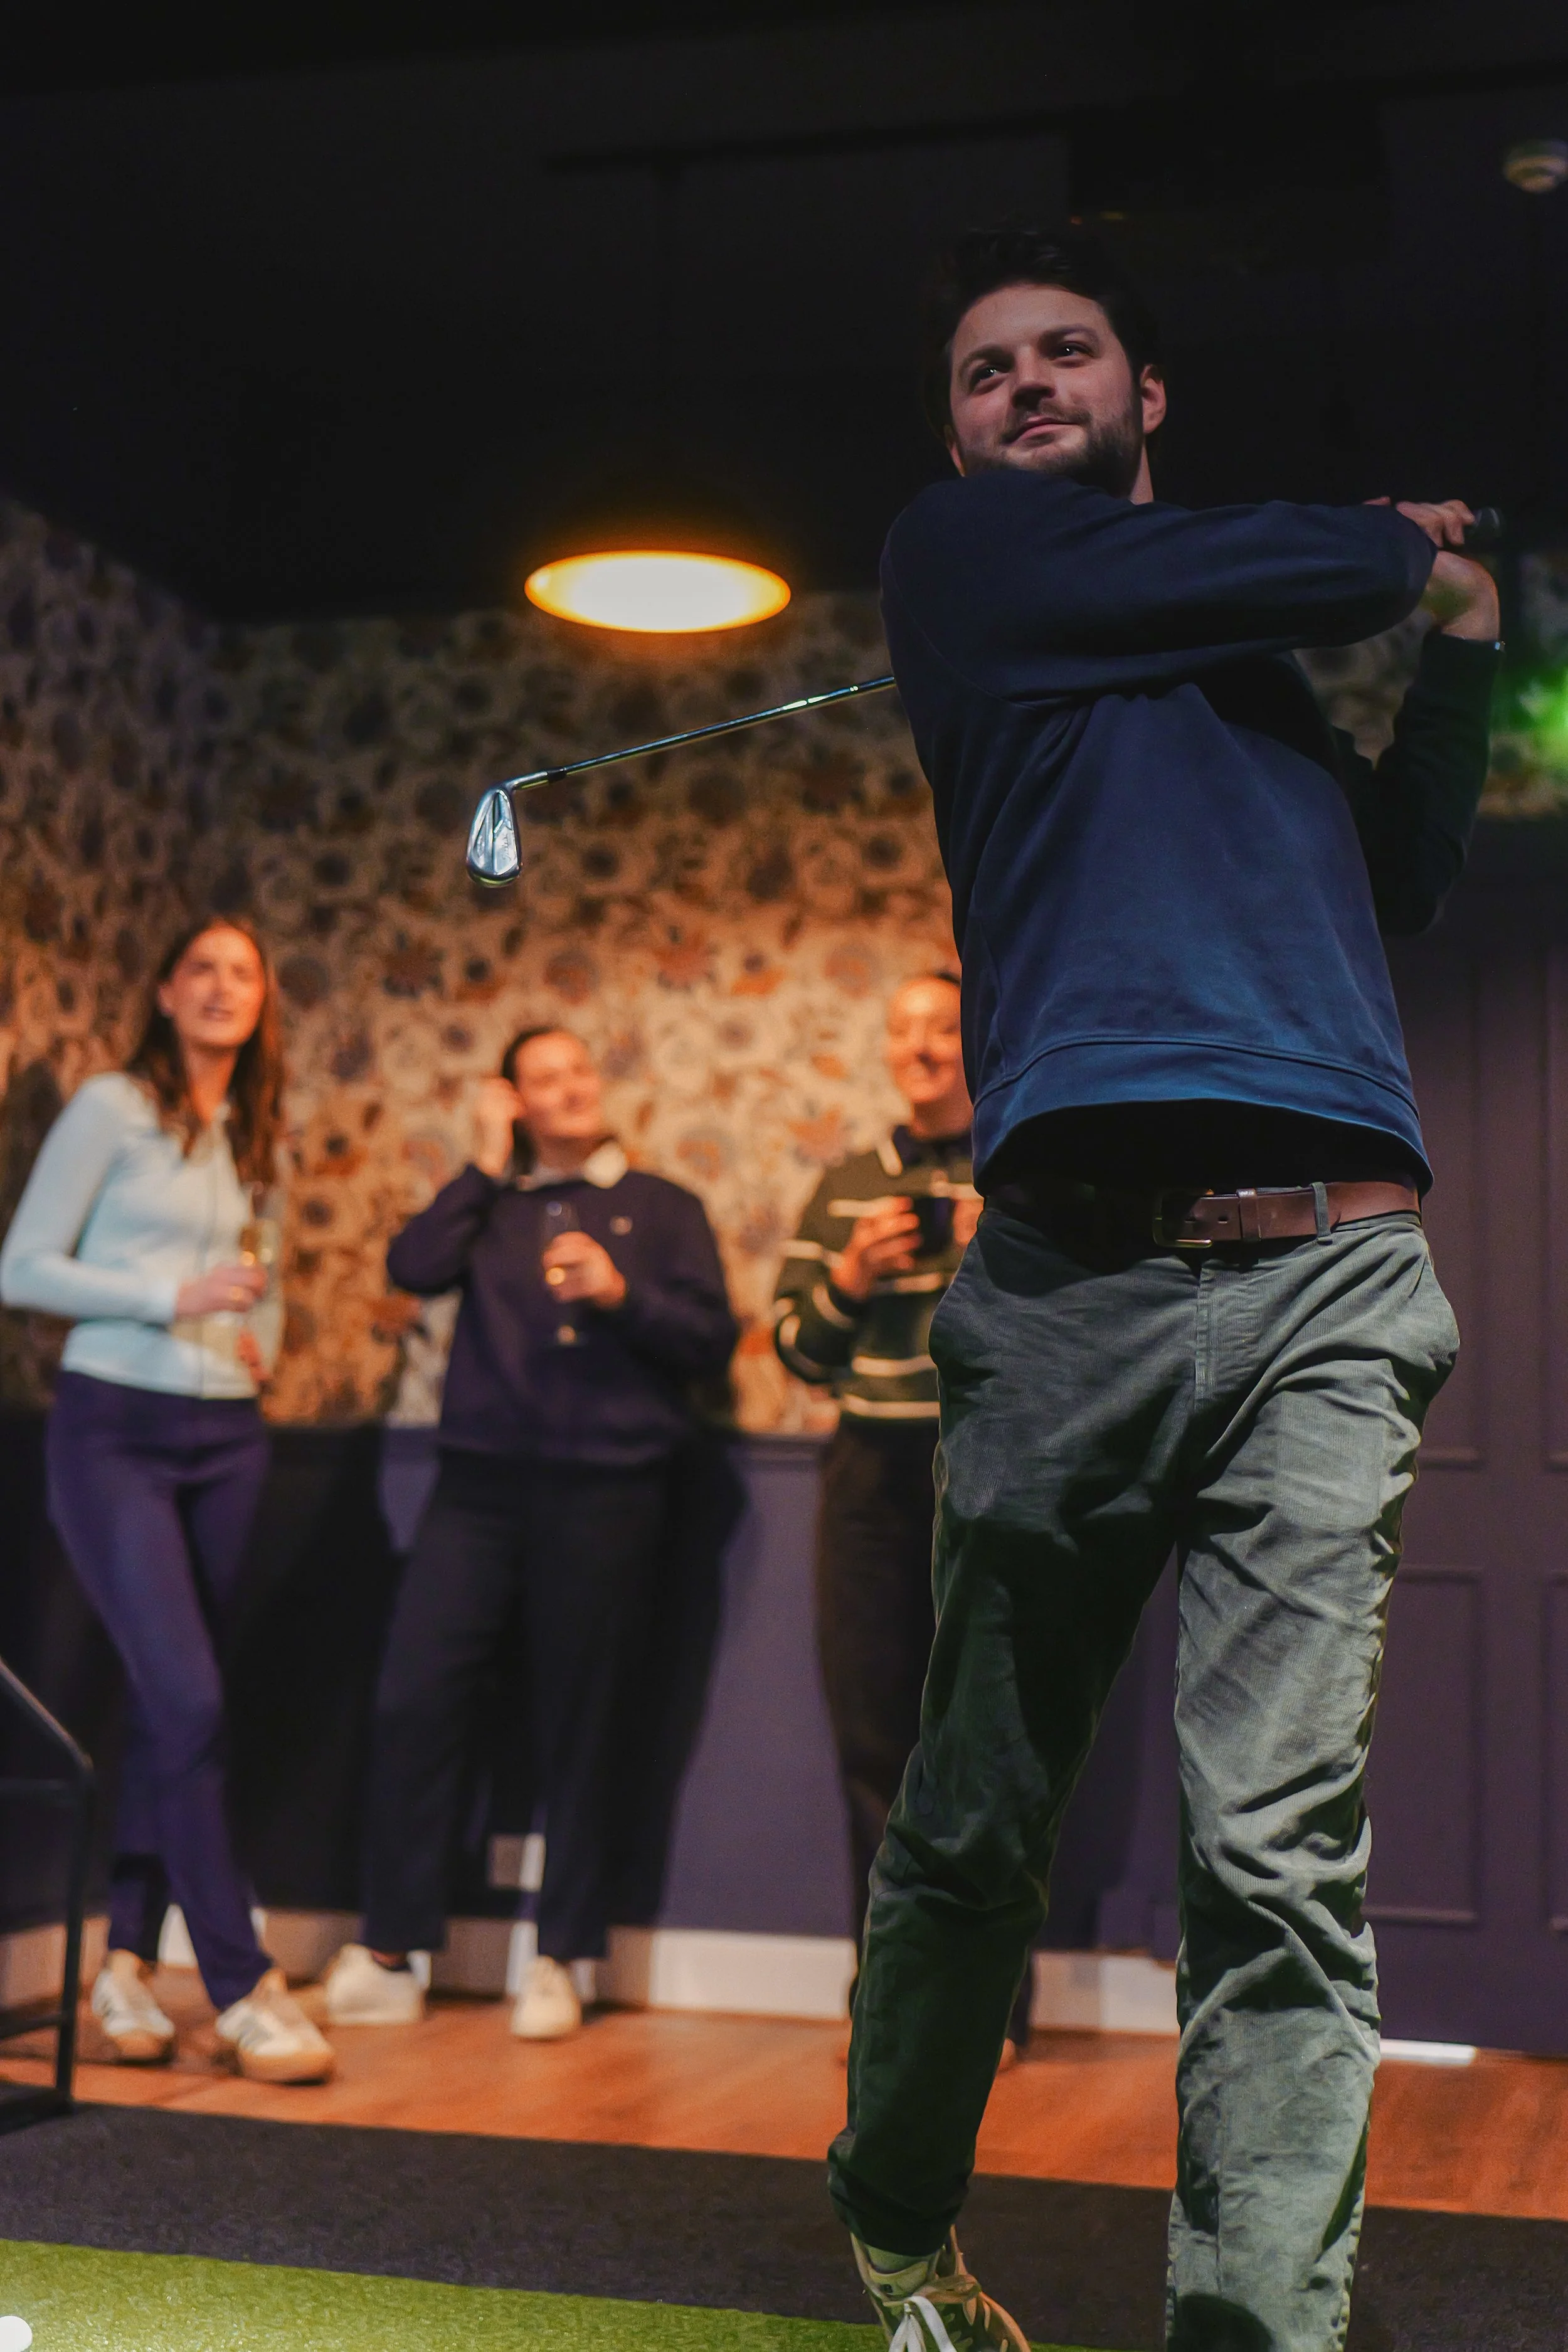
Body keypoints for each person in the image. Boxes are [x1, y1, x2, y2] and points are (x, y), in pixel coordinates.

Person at [827, 226, 1499, 2352]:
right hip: (1069, 1290)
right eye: (987, 368)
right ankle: (896, 2221)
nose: (1027, 383)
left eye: (1068, 350)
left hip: (1330, 1276)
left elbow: (1401, 870)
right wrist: (1402, 546)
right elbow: (1309, 566)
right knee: (973, 1823)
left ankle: (1254, 2331)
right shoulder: (966, 564)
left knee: (1278, 1856)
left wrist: (1466, 656)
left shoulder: (1243, 669)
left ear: (1146, 391)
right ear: (958, 432)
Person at [324, 1025, 737, 2042]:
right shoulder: (491, 1206)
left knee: (584, 1722)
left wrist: (621, 1293)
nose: (570, 1088)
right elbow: (413, 1264)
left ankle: (561, 1957)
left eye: (579, 1070)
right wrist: (479, 1160)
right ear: (513, 1099)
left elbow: (710, 1340)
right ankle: (392, 1949)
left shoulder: (664, 1206)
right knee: (415, 1699)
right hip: (476, 1490)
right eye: (544, 1078)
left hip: (611, 1493)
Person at [0, 915, 333, 2085]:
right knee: (188, 1698)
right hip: (114, 1430)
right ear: (165, 989)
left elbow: (263, 1273)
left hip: (228, 1438)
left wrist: (259, 1342)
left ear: (263, 1000)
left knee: (172, 1706)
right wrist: (168, 1295)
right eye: (202, 967)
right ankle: (241, 1985)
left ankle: (126, 1965)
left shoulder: (257, 1128)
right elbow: (19, 1266)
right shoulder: (112, 1107)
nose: (223, 986)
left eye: (244, 971)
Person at [774, 975, 1032, 2034]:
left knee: (989, 1742)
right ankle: (886, 1994)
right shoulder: (847, 1184)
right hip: (869, 1480)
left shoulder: (1020, 1172)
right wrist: (850, 1277)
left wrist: (998, 1249)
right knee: (874, 1740)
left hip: (992, 1468)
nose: (920, 1045)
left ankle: (990, 2005)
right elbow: (798, 1348)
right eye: (902, 1028)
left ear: (978, 1038)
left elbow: (1079, 1329)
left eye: (941, 1026)